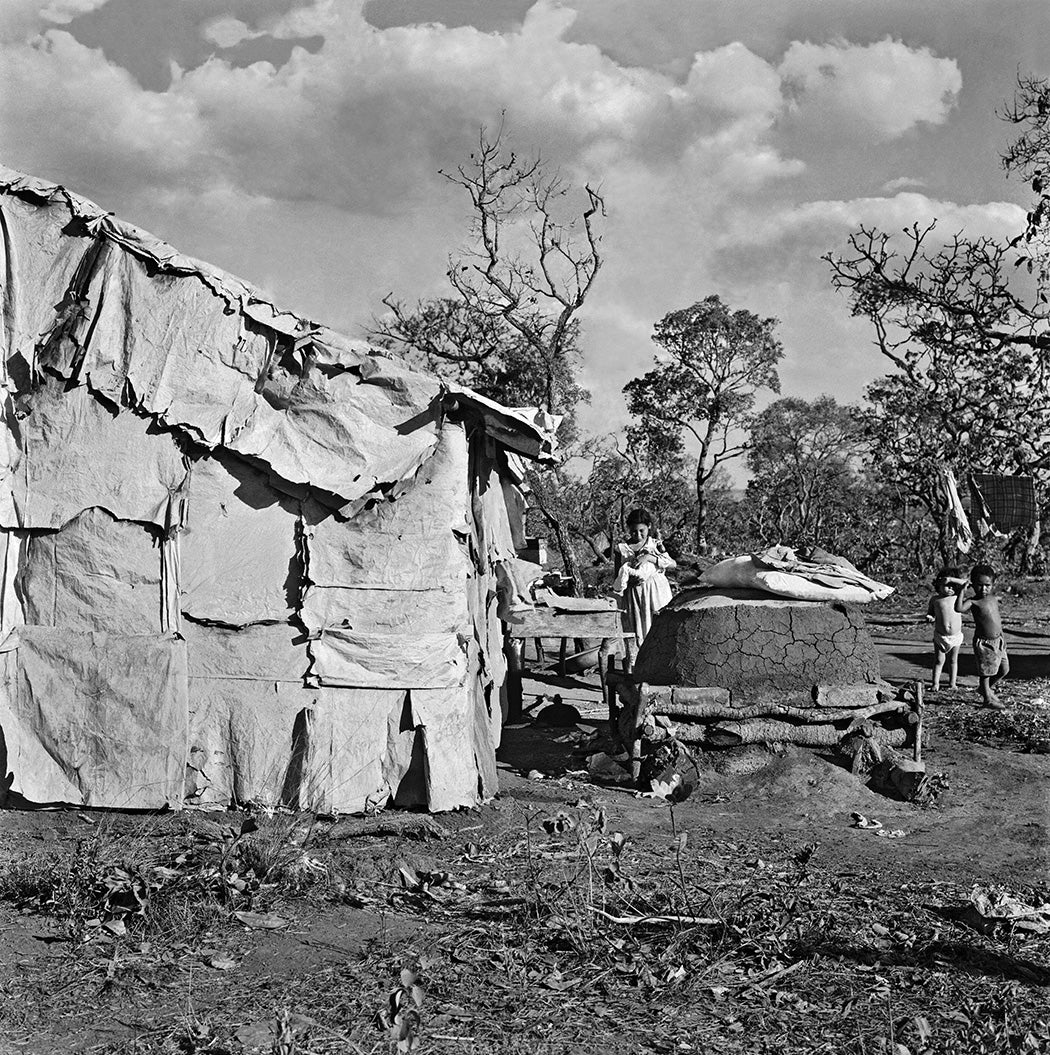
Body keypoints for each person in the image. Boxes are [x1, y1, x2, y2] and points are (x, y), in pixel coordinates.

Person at [613, 508, 675, 647]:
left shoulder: (655, 544)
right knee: (636, 632)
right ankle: (636, 666)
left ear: (649, 527)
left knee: (658, 628)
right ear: (628, 529)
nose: (638, 535)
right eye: (634, 531)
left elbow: (673, 564)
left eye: (642, 530)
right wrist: (628, 581)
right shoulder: (622, 549)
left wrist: (650, 558)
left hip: (656, 591)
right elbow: (617, 575)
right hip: (634, 594)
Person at [953, 563, 1009, 709]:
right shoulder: (973, 601)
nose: (983, 589)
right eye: (979, 585)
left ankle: (985, 689)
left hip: (999, 641)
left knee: (1004, 669)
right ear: (972, 585)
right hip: (984, 643)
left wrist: (1002, 638)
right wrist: (962, 591)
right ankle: (987, 699)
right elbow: (958, 608)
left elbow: (997, 619)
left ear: (992, 584)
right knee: (986, 673)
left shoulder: (993, 598)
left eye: (987, 585)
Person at [926, 566, 964, 691]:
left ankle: (952, 684)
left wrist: (950, 579)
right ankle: (935, 684)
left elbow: (966, 583)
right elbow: (931, 613)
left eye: (953, 586)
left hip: (955, 637)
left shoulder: (957, 597)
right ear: (939, 585)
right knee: (938, 660)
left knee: (953, 661)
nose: (950, 589)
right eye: (947, 585)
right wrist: (930, 617)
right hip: (940, 636)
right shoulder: (935, 599)